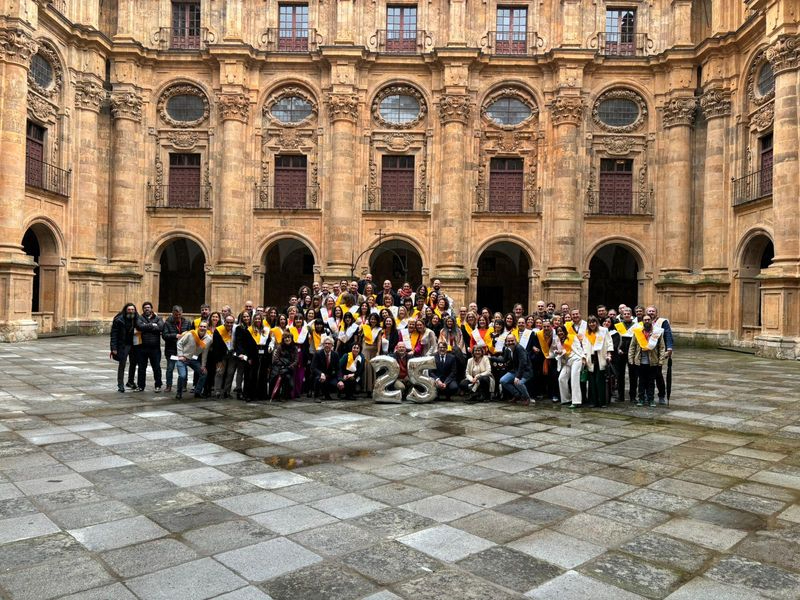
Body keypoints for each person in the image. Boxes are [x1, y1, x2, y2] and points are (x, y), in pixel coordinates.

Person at [628, 314, 667, 407]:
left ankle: (651, 399)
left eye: (648, 319)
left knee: (651, 382)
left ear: (651, 321)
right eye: (645, 320)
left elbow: (662, 347)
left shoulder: (657, 333)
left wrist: (661, 360)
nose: (647, 321)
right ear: (642, 321)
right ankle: (641, 399)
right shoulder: (637, 332)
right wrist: (631, 359)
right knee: (641, 382)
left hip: (653, 362)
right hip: (640, 361)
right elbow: (632, 346)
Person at [175, 321, 212, 399]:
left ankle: (197, 392)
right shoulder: (191, 334)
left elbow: (205, 353)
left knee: (204, 373)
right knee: (182, 376)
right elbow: (179, 343)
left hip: (193, 359)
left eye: (204, 327)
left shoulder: (208, 339)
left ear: (207, 328)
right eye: (201, 326)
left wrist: (203, 365)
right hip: (183, 358)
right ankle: (179, 393)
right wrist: (180, 355)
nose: (202, 328)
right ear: (198, 327)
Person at [556, 324, 589, 409]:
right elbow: (558, 351)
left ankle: (576, 402)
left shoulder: (572, 337)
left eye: (561, 331)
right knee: (561, 379)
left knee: (574, 380)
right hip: (567, 362)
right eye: (558, 331)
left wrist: (583, 357)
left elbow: (579, 347)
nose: (560, 333)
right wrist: (557, 352)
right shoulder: (557, 340)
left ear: (564, 331)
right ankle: (566, 399)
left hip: (576, 359)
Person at [584, 316, 614, 408]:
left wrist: (609, 355)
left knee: (600, 381)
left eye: (593, 322)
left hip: (601, 357)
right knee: (592, 381)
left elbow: (609, 343)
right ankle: (593, 401)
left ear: (596, 322)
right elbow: (584, 345)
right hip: (591, 358)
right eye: (590, 322)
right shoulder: (587, 332)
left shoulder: (603, 330)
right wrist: (584, 358)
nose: (592, 324)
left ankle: (602, 402)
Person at [646, 305, 674, 404]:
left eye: (652, 311)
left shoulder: (662, 322)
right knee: (646, 375)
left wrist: (669, 347)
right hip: (646, 352)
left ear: (656, 312)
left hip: (658, 352)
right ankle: (648, 395)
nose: (651, 313)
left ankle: (661, 395)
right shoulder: (644, 321)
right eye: (649, 311)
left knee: (658, 374)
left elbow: (668, 334)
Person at [135, 301, 164, 392]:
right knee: (141, 368)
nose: (146, 309)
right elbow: (139, 327)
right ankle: (140, 386)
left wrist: (145, 326)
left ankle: (158, 385)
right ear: (143, 309)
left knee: (156, 367)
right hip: (142, 347)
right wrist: (152, 325)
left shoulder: (158, 318)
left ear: (151, 309)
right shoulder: (140, 318)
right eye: (145, 308)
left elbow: (160, 328)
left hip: (155, 348)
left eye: (148, 307)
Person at [162, 305, 191, 394]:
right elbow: (164, 335)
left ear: (182, 313)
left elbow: (191, 334)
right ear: (172, 313)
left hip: (183, 350)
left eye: (179, 314)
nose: (178, 316)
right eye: (176, 315)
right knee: (170, 368)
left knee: (183, 368)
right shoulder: (167, 322)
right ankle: (169, 386)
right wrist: (175, 336)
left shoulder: (187, 322)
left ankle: (183, 385)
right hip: (171, 350)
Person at [110, 302, 138, 393]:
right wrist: (113, 348)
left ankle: (130, 381)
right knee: (122, 364)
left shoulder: (137, 318)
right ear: (125, 310)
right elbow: (114, 334)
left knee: (133, 364)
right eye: (129, 309)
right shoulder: (119, 319)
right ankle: (120, 385)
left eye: (133, 310)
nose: (131, 311)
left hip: (134, 345)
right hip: (123, 345)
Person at [498, 334, 533, 406]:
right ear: (506, 342)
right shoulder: (508, 349)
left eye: (512, 341)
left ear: (516, 341)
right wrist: (490, 358)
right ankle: (516, 395)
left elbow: (523, 363)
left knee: (518, 382)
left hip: (525, 371)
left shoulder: (519, 348)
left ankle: (527, 398)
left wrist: (518, 377)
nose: (510, 342)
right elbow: (504, 360)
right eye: (508, 341)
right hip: (515, 370)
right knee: (503, 380)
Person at [613, 307, 638, 403]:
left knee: (633, 375)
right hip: (620, 353)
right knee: (620, 375)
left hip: (632, 353)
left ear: (631, 315)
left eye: (628, 313)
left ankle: (633, 397)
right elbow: (615, 339)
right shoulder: (618, 326)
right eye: (625, 314)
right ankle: (620, 396)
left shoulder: (636, 326)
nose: (626, 315)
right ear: (622, 315)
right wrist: (617, 349)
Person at [233, 311, 257, 401]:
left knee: (248, 374)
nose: (246, 318)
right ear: (241, 318)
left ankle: (247, 391)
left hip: (251, 354)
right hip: (242, 354)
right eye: (244, 317)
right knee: (240, 372)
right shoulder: (239, 328)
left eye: (248, 316)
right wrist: (242, 354)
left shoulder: (253, 327)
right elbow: (238, 342)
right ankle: (239, 391)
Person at [211, 315, 237, 398]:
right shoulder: (218, 330)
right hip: (222, 355)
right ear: (224, 322)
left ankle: (227, 391)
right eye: (227, 322)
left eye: (231, 323)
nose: (229, 324)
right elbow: (216, 347)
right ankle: (217, 391)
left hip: (232, 355)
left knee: (230, 373)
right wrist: (218, 360)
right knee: (219, 372)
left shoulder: (236, 329)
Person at [271, 332, 298, 401]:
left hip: (289, 369)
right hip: (280, 369)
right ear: (283, 339)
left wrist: (288, 368)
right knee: (280, 378)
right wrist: (282, 366)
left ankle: (285, 395)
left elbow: (296, 361)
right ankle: (278, 396)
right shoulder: (279, 347)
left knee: (290, 384)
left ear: (291, 339)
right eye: (285, 338)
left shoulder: (295, 348)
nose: (287, 339)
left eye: (289, 337)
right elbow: (275, 359)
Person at [311, 336, 339, 401]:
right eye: (325, 343)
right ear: (323, 345)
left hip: (330, 376)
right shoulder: (317, 354)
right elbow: (313, 367)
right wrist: (321, 373)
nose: (327, 345)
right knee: (319, 379)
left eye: (329, 344)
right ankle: (316, 396)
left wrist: (340, 380)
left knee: (338, 383)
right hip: (319, 375)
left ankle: (327, 395)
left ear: (332, 345)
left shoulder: (335, 354)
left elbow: (338, 369)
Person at [360, 313, 381, 394]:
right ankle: (365, 388)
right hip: (365, 349)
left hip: (373, 350)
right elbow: (360, 338)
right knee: (366, 368)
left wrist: (378, 351)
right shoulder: (365, 327)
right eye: (372, 319)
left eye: (375, 319)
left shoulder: (378, 329)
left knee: (372, 369)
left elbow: (379, 341)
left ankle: (371, 388)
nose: (373, 321)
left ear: (377, 320)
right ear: (369, 320)